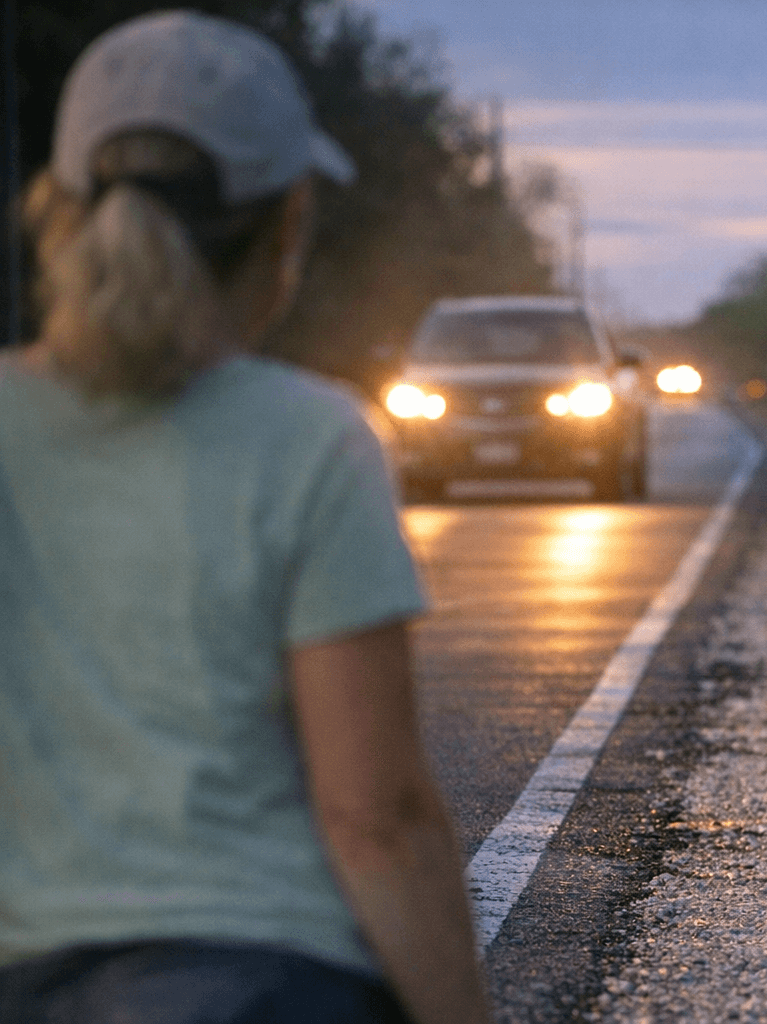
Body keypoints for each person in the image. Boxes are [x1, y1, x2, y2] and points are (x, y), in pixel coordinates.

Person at [0, 12, 491, 1024]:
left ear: (59, 209)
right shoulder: (311, 439)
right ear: (287, 226)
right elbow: (377, 817)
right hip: (263, 979)